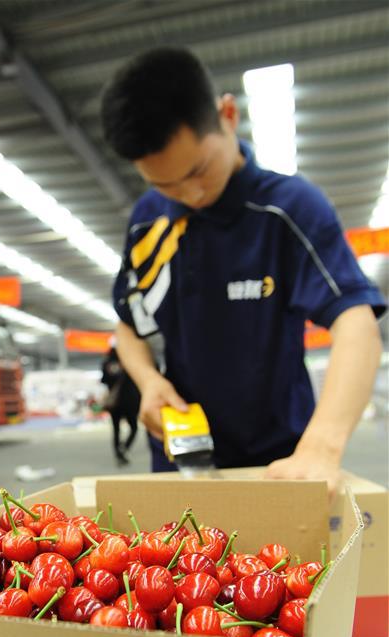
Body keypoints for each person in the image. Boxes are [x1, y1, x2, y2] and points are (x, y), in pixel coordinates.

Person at [100, 47, 385, 494]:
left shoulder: (289, 209)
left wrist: (322, 446)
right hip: (183, 459)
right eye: (164, 184)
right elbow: (128, 320)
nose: (189, 194)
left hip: (280, 459)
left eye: (198, 171)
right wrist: (149, 380)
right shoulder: (149, 219)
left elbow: (355, 322)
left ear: (228, 115)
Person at [101, 343, 141, 464]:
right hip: (129, 401)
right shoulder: (129, 360)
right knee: (134, 427)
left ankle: (118, 453)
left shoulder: (106, 363)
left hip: (115, 404)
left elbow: (103, 380)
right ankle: (125, 448)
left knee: (116, 429)